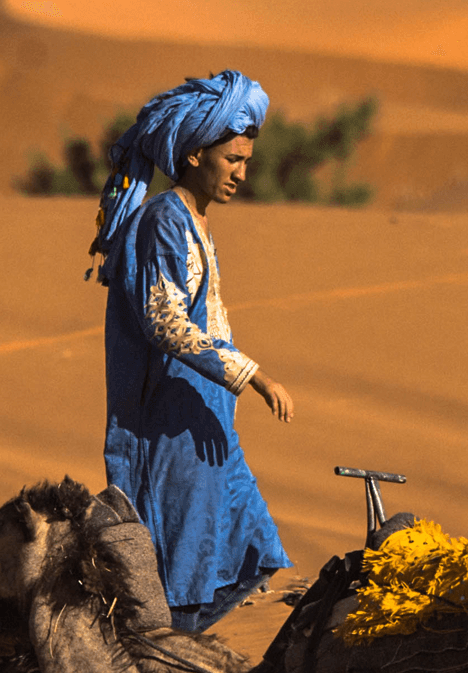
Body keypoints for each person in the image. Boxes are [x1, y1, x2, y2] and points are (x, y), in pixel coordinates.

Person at [88, 70, 293, 632]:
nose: (242, 174)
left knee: (249, 546)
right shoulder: (163, 220)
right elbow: (165, 322)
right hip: (171, 429)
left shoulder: (194, 221)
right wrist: (255, 375)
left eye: (246, 162)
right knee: (179, 566)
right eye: (233, 160)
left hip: (205, 421)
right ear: (196, 154)